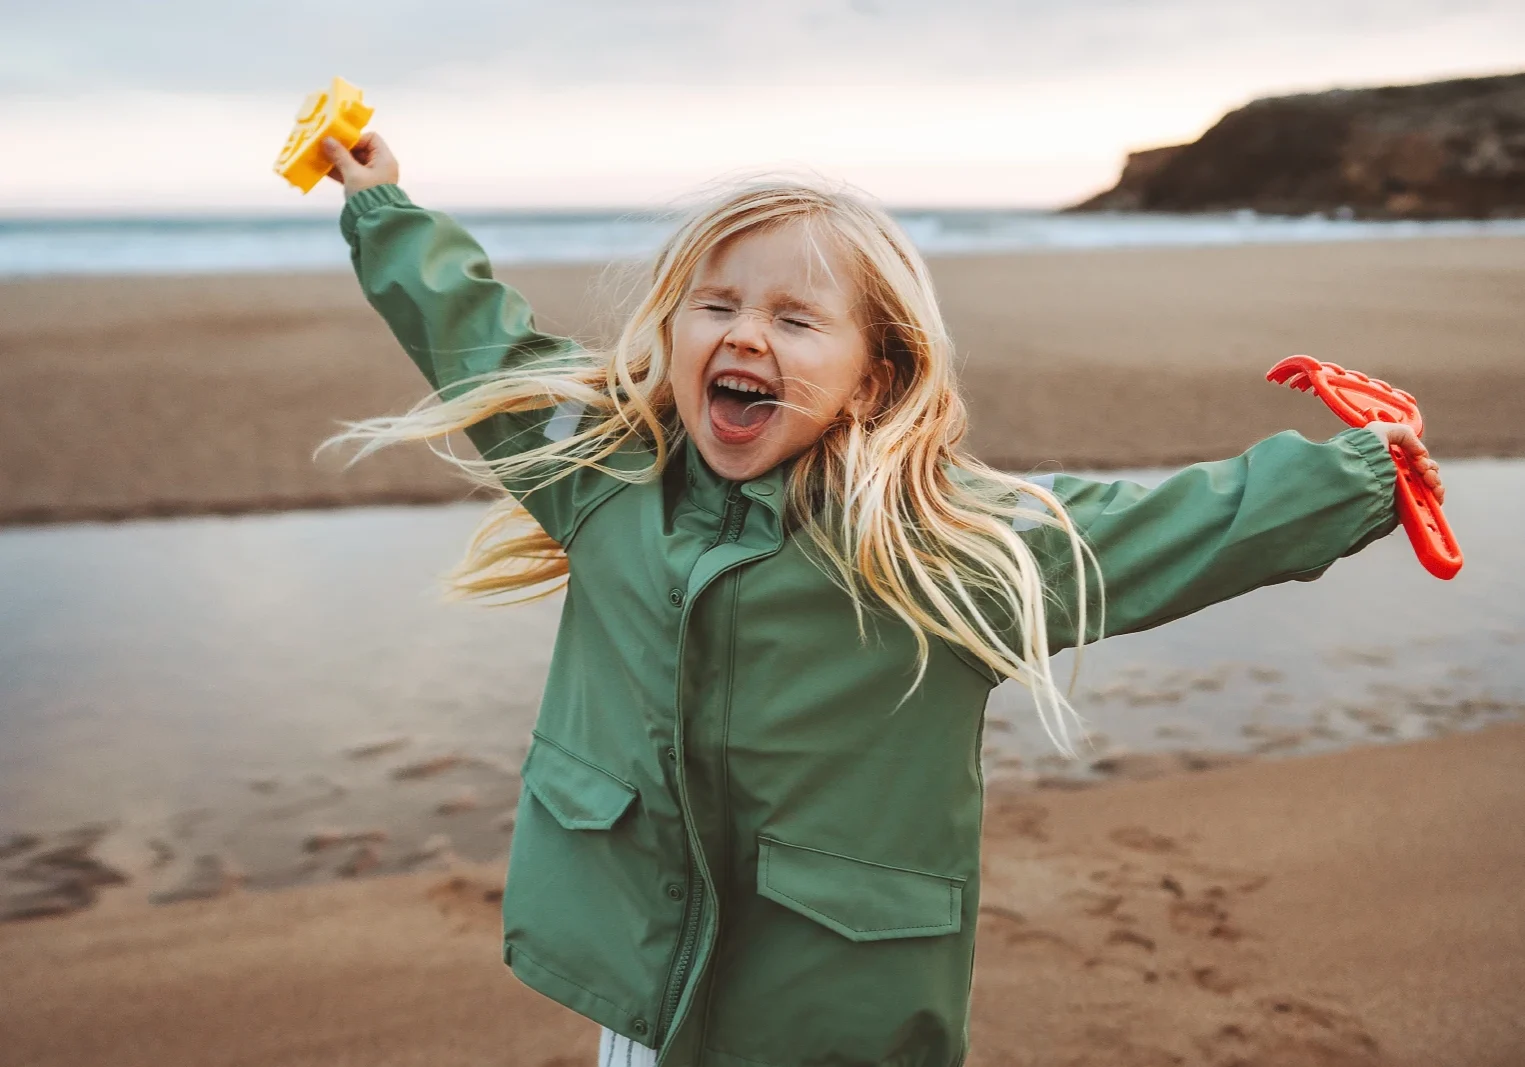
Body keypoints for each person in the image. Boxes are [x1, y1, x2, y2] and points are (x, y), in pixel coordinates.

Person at [320, 133, 1445, 1067]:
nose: (745, 333)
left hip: (830, 1013)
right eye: (714, 304)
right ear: (672, 332)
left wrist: (1356, 473)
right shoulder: (602, 479)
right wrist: (379, 202)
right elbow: (480, 341)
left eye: (796, 319)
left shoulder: (936, 546)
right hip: (648, 993)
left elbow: (1154, 530)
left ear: (874, 372)